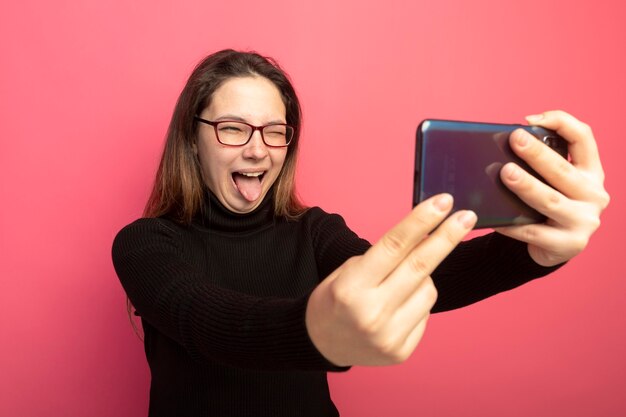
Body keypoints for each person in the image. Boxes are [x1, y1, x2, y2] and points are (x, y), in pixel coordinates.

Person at [111, 49, 609, 417]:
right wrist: (315, 329)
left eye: (275, 131)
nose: (258, 151)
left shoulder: (315, 231)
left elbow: (421, 283)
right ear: (193, 141)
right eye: (233, 128)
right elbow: (207, 321)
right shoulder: (145, 244)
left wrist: (533, 248)